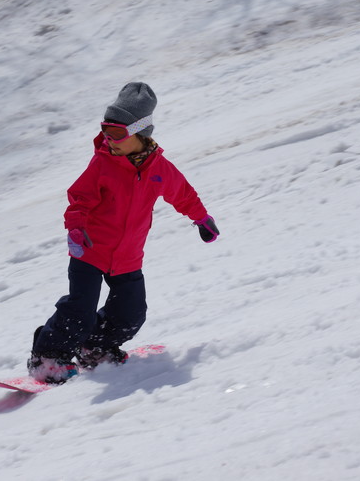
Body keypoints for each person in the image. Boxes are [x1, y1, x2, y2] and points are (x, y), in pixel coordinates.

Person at [28, 82, 219, 383]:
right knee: (80, 311)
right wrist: (76, 228)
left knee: (131, 313)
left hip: (128, 255)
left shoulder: (160, 169)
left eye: (117, 133)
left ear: (141, 133)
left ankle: (95, 347)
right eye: (105, 130)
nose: (109, 139)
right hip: (90, 249)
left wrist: (201, 218)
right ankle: (48, 356)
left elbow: (182, 194)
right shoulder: (103, 163)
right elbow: (80, 197)